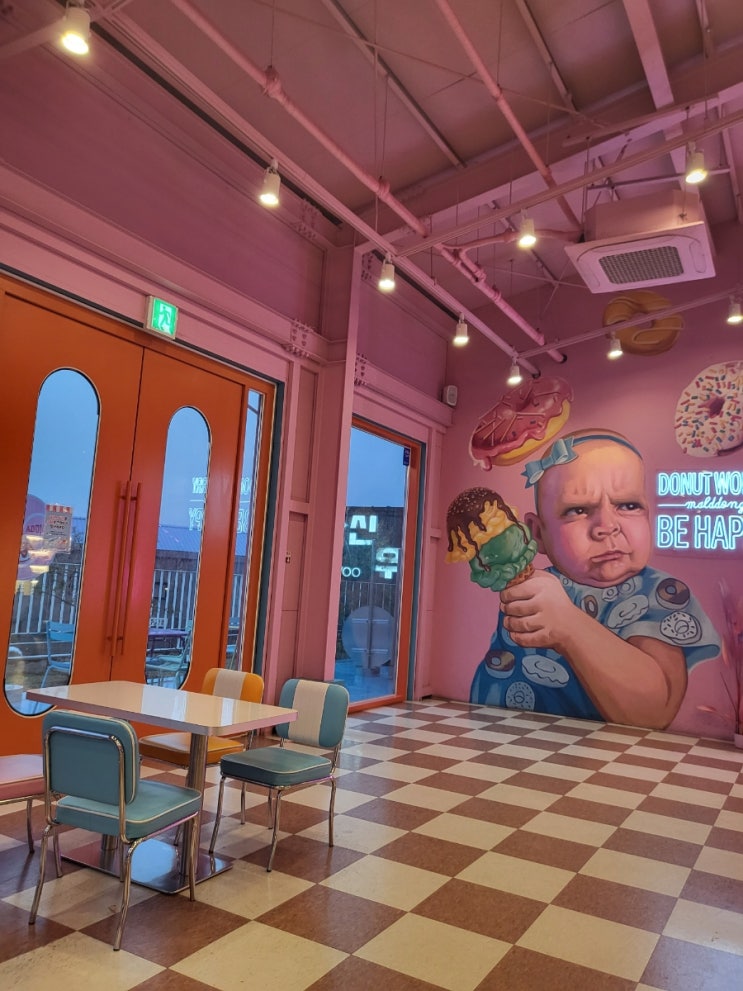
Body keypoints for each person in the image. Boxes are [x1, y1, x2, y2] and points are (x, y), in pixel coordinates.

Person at [469, 430, 720, 729]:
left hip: (604, 752)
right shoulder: (535, 586)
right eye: (578, 510)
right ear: (538, 533)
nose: (607, 526)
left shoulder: (660, 594)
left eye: (628, 505)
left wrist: (569, 624)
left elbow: (655, 711)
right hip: (504, 738)